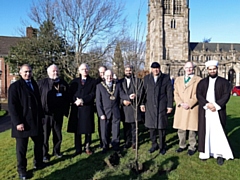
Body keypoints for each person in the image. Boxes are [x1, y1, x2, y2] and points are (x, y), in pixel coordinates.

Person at [8, 64, 45, 180]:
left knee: (39, 144)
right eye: (25, 72)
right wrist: (18, 122)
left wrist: (41, 117)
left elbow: (38, 102)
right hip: (22, 122)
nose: (28, 74)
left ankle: (38, 163)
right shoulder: (15, 86)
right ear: (20, 73)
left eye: (29, 72)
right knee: (21, 149)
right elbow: (12, 106)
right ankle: (22, 170)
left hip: (35, 121)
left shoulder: (34, 84)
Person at [197, 60, 233, 165]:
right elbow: (199, 95)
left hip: (218, 111)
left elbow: (226, 95)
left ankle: (219, 154)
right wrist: (208, 105)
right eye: (210, 69)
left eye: (214, 69)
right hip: (206, 110)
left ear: (217, 69)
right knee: (205, 131)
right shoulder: (202, 82)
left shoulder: (224, 82)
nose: (212, 71)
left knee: (218, 132)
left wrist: (216, 106)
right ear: (207, 70)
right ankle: (205, 153)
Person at [96, 70, 134, 153]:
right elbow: (98, 102)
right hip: (105, 113)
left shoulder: (117, 85)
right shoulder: (99, 86)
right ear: (104, 76)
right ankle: (105, 146)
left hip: (115, 111)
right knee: (104, 131)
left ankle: (115, 145)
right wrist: (101, 114)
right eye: (107, 76)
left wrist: (129, 97)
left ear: (112, 76)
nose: (109, 77)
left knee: (116, 130)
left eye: (110, 75)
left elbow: (122, 94)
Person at [38, 64, 69, 162]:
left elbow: (67, 97)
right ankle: (44, 154)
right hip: (45, 115)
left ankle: (56, 151)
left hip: (58, 114)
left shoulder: (63, 83)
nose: (55, 73)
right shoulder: (42, 83)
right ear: (48, 73)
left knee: (58, 135)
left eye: (57, 71)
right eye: (53, 71)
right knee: (45, 136)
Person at [140, 62, 173, 155]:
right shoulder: (147, 78)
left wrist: (169, 105)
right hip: (150, 106)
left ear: (159, 68)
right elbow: (143, 92)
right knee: (152, 128)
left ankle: (162, 146)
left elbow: (169, 92)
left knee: (161, 128)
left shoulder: (165, 78)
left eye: (157, 68)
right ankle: (154, 145)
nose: (156, 70)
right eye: (154, 69)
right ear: (151, 69)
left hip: (161, 105)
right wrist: (142, 104)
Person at [173, 62, 201, 156]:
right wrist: (180, 103)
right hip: (181, 107)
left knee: (192, 129)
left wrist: (189, 103)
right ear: (184, 68)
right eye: (187, 67)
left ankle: (192, 147)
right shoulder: (178, 79)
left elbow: (198, 94)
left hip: (192, 108)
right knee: (181, 129)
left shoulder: (198, 80)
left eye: (190, 68)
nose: (188, 69)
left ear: (193, 68)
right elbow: (175, 93)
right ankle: (182, 145)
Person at [68, 63, 96, 156]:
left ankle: (87, 147)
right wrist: (75, 100)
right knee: (77, 129)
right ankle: (78, 148)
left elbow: (93, 94)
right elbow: (70, 94)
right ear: (79, 71)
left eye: (86, 69)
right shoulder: (74, 82)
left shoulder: (92, 81)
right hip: (76, 108)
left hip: (87, 107)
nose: (85, 71)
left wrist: (83, 100)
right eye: (83, 69)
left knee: (88, 129)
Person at [120, 65, 143, 150]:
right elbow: (119, 94)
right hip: (125, 108)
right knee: (126, 127)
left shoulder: (138, 81)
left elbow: (141, 93)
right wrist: (123, 101)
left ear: (132, 71)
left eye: (130, 70)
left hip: (134, 107)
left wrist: (135, 96)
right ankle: (127, 142)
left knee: (134, 127)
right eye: (126, 70)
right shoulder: (120, 82)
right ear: (124, 71)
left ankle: (134, 142)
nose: (128, 72)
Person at [96, 65, 107, 148]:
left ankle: (108, 140)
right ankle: (102, 141)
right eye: (101, 72)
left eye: (103, 72)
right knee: (101, 126)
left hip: (109, 107)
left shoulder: (111, 80)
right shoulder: (97, 82)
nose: (102, 74)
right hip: (100, 107)